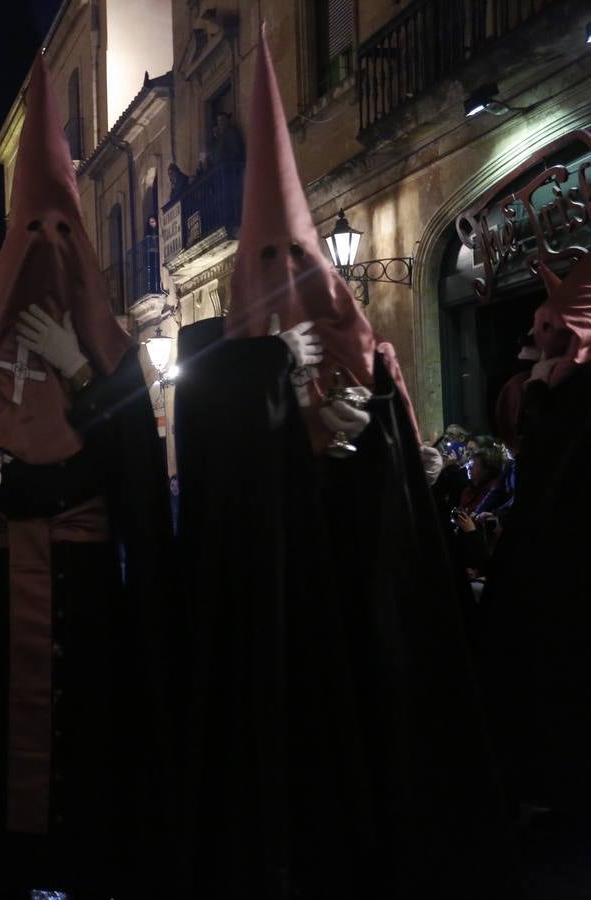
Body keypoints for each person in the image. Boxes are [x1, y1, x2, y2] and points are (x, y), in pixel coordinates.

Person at [171, 29, 513, 898]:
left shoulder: (368, 355)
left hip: (354, 600)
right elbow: (217, 484)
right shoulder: (214, 360)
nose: (283, 274)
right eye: (266, 260)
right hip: (268, 611)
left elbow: (401, 512)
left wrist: (367, 445)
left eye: (297, 256)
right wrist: (271, 385)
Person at [0, 57, 174, 898]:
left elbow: (126, 464)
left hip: (85, 585)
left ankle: (84, 861)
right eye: (32, 236)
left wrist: (81, 372)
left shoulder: (113, 352)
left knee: (85, 731)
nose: (48, 250)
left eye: (64, 235)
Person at [482, 251, 591, 821]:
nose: (538, 335)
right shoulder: (549, 388)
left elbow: (549, 469)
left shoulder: (568, 396)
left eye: (552, 327)